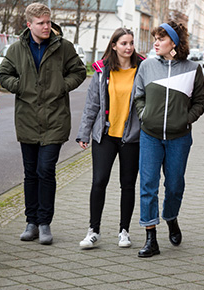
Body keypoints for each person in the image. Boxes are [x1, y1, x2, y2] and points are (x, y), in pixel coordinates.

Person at [0, 3, 86, 245]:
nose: (46, 26)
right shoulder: (16, 49)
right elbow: (3, 75)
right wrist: (22, 87)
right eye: (41, 23)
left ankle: (45, 223)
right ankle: (31, 222)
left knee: (45, 170)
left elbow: (78, 72)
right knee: (30, 173)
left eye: (48, 22)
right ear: (29, 25)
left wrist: (61, 86)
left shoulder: (63, 47)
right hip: (27, 119)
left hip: (55, 119)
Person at [134, 21, 204, 257]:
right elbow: (139, 96)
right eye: (155, 37)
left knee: (174, 185)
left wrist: (186, 119)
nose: (155, 42)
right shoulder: (146, 66)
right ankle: (151, 237)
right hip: (150, 136)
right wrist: (144, 114)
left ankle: (171, 218)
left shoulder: (192, 69)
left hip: (179, 137)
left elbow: (200, 102)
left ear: (173, 43)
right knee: (148, 186)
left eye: (161, 39)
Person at [76, 28, 143, 249]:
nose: (129, 47)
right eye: (124, 43)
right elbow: (92, 104)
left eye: (131, 43)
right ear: (113, 45)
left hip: (131, 137)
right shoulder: (101, 70)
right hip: (104, 135)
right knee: (99, 181)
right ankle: (93, 231)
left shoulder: (142, 67)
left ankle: (124, 231)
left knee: (128, 185)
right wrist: (84, 133)